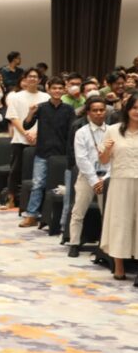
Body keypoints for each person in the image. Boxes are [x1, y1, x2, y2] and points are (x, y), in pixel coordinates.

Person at [19, 77, 75, 228]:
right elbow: (26, 125)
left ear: (64, 90)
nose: (57, 91)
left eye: (60, 88)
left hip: (62, 153)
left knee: (61, 186)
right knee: (38, 184)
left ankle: (59, 218)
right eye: (54, 88)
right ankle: (32, 215)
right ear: (48, 89)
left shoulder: (69, 109)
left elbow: (72, 131)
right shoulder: (41, 107)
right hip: (42, 152)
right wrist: (30, 113)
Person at [98, 95, 138, 282]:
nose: (137, 111)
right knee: (120, 222)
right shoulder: (113, 130)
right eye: (134, 107)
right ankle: (119, 265)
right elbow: (103, 161)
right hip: (120, 182)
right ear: (127, 109)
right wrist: (106, 149)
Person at [67, 97, 110, 257]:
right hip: (87, 176)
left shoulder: (112, 131)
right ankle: (74, 243)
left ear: (106, 111)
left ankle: (104, 245)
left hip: (107, 177)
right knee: (78, 211)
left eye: (101, 110)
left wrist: (104, 179)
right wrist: (94, 180)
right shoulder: (81, 132)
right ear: (88, 113)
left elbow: (115, 157)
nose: (98, 113)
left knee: (107, 213)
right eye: (95, 110)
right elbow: (81, 159)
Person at [4, 69, 47, 210]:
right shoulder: (16, 97)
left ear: (40, 80)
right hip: (19, 138)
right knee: (15, 170)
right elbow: (13, 117)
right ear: (25, 79)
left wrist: (36, 134)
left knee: (36, 172)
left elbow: (46, 120)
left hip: (39, 139)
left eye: (36, 77)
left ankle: (30, 202)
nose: (33, 79)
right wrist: (26, 133)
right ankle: (11, 199)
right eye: (30, 76)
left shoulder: (46, 97)